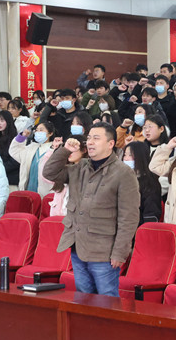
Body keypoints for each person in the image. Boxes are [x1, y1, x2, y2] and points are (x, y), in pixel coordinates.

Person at [42, 123, 140, 296]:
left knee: (106, 300)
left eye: (96, 138)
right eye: (88, 138)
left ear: (110, 144)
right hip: (78, 246)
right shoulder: (80, 166)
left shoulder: (123, 173)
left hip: (104, 251)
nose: (90, 142)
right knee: (83, 298)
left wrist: (119, 252)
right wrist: (65, 151)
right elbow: (49, 173)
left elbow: (129, 217)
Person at [42, 135, 87, 216]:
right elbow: (47, 174)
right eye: (68, 148)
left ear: (84, 150)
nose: (69, 152)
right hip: (56, 218)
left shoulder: (87, 171)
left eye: (74, 148)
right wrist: (57, 150)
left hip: (74, 219)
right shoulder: (63, 169)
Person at [9, 121, 56, 197]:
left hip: (47, 193)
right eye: (36, 130)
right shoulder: (31, 147)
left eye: (41, 130)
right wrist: (22, 137)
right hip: (28, 190)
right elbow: (14, 151)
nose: (38, 132)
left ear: (50, 133)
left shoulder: (54, 149)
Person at [123, 141, 162, 225]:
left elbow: (151, 212)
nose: (126, 159)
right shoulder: (122, 178)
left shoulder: (149, 182)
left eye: (130, 155)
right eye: (125, 155)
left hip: (138, 226)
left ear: (140, 157)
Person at [0, 110, 20, 190]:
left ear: (8, 121)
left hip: (10, 179)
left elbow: (15, 161)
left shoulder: (15, 139)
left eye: (2, 120)